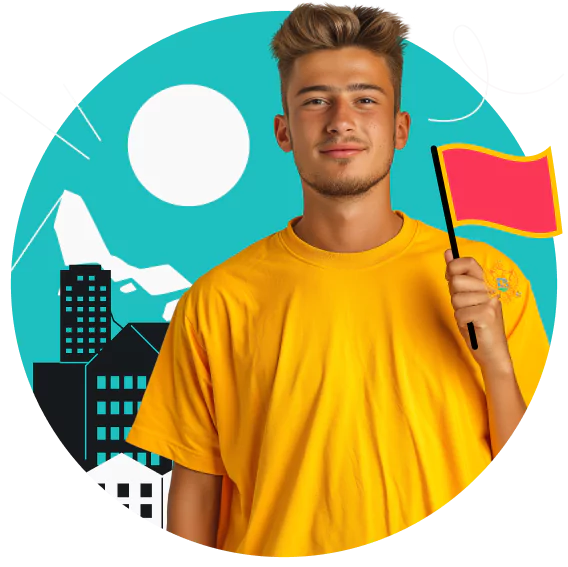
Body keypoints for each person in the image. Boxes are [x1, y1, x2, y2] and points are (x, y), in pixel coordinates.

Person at [126, 2, 550, 559]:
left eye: (365, 98)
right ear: (284, 131)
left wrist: (494, 357)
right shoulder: (218, 300)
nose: (340, 120)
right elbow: (196, 486)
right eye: (316, 100)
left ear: (400, 128)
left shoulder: (489, 282)